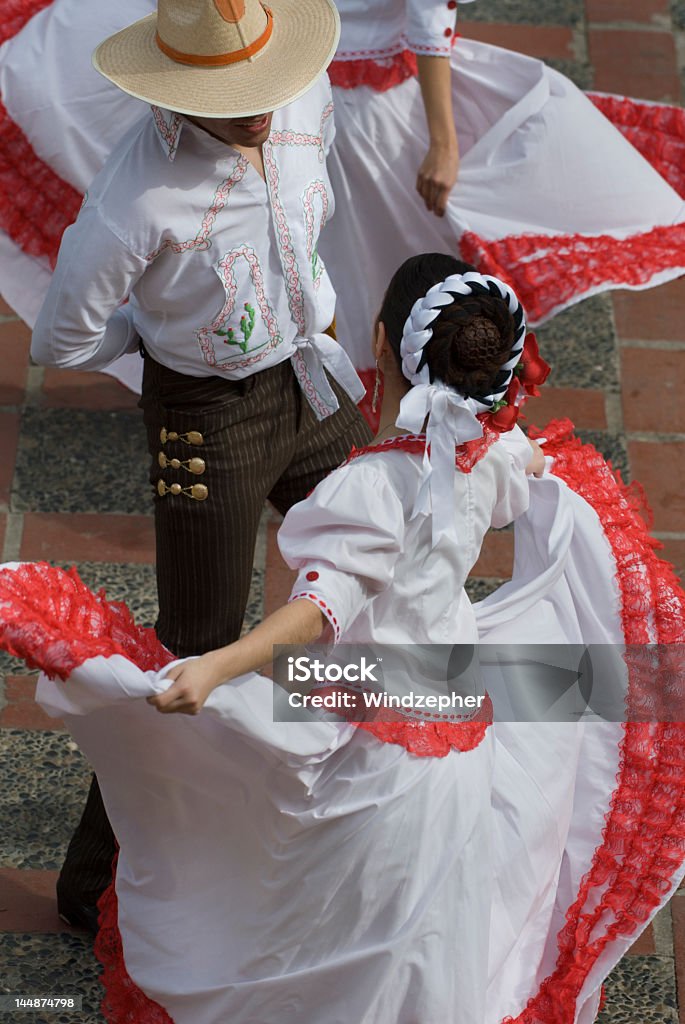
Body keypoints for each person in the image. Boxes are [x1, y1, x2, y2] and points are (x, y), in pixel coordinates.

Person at [1, 254, 684, 1023]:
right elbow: (522, 469)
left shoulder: (371, 486)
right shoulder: (489, 454)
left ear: (383, 341)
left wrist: (219, 667)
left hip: (370, 725)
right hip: (453, 721)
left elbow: (321, 609)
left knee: (316, 893)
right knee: (423, 930)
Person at [28, 0, 372, 931]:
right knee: (192, 650)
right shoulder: (135, 199)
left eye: (261, 85)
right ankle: (91, 888)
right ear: (178, 94)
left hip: (315, 381)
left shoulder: (304, 100)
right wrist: (172, 342)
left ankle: (343, 815)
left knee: (379, 561)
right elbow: (63, 337)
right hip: (206, 422)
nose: (257, 110)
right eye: (229, 98)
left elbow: (314, 209)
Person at [1, 0, 684, 408]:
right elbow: (426, 21)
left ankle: (319, 384)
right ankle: (332, 387)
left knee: (339, 254)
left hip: (309, 83)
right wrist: (442, 140)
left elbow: (424, 20)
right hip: (325, 91)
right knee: (344, 255)